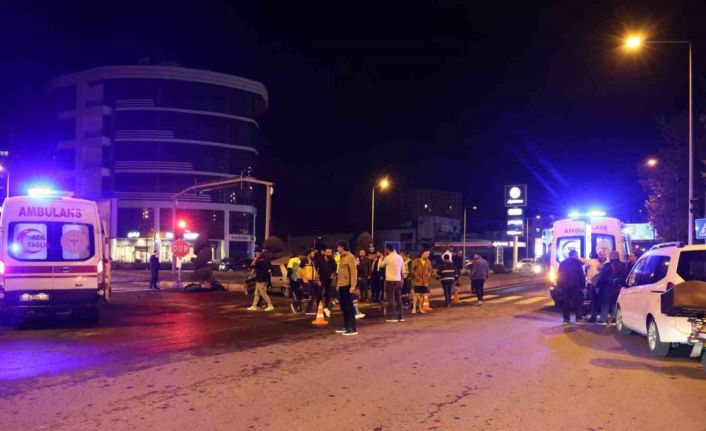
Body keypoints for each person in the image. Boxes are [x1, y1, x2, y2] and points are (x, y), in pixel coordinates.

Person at [596, 251, 627, 324]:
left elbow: (603, 277)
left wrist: (598, 286)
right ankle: (615, 318)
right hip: (620, 287)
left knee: (605, 304)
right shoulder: (624, 265)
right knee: (615, 303)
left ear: (611, 256)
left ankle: (603, 319)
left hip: (608, 288)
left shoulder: (608, 265)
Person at [335, 240, 358, 336]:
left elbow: (353, 272)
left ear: (342, 247)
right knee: (343, 307)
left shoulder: (350, 257)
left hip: (347, 285)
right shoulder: (341, 257)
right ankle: (346, 326)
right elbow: (340, 273)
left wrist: (353, 286)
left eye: (338, 247)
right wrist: (338, 284)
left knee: (349, 307)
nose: (337, 248)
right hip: (341, 285)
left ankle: (352, 328)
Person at [379, 244, 407, 322]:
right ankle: (401, 316)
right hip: (398, 280)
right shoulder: (400, 257)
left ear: (387, 249)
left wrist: (381, 258)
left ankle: (394, 316)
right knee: (398, 299)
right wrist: (402, 279)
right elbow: (403, 270)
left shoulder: (388, 258)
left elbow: (381, 265)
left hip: (390, 280)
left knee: (391, 299)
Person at [558, 249, 586, 324]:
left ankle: (566, 318)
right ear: (574, 255)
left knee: (565, 302)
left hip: (565, 286)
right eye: (577, 255)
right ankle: (578, 317)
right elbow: (581, 274)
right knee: (577, 302)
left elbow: (559, 275)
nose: (577, 256)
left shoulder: (563, 263)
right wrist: (583, 285)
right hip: (575, 286)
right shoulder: (577, 263)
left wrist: (559, 285)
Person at [319, 248, 339, 318]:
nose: (329, 253)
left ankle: (326, 307)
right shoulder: (320, 260)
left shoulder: (332, 260)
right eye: (328, 252)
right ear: (325, 252)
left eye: (330, 252)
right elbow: (316, 268)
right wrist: (317, 277)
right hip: (321, 279)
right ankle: (319, 307)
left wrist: (333, 275)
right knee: (319, 293)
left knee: (328, 293)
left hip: (329, 279)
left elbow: (335, 268)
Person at [300, 249, 321, 315]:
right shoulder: (304, 260)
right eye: (312, 253)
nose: (314, 255)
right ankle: (300, 307)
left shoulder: (313, 261)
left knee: (312, 295)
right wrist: (304, 278)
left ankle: (308, 310)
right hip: (306, 280)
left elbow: (315, 271)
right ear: (309, 254)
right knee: (306, 295)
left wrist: (318, 280)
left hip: (312, 280)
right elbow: (299, 269)